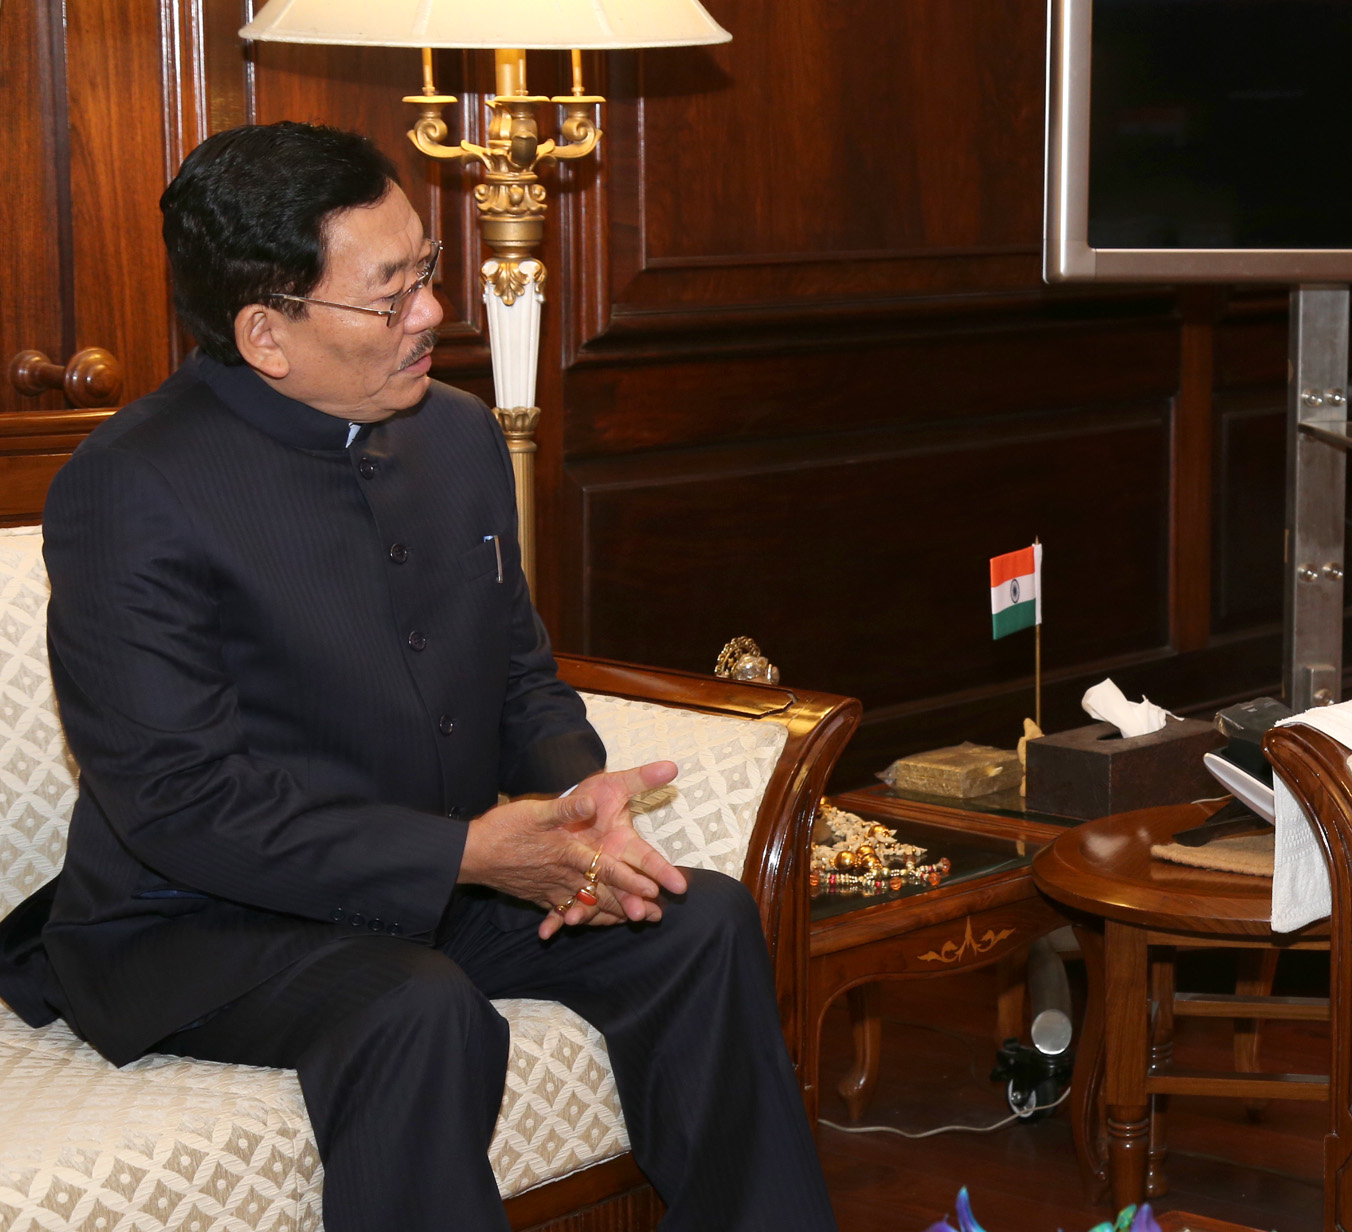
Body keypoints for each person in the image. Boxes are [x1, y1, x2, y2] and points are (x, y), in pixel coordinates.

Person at [0, 122, 835, 1231]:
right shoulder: (131, 489)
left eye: (425, 272)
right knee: (419, 1007)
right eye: (389, 294)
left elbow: (520, 670)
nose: (433, 313)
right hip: (200, 922)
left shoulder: (456, 436)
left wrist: (576, 789)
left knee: (700, 921)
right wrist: (469, 852)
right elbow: (180, 801)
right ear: (267, 333)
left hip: (427, 883)